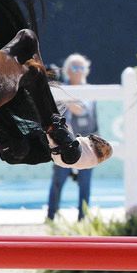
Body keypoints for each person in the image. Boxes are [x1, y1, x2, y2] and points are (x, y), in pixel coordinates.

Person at [46, 53, 98, 221]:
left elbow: (83, 110)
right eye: (74, 67)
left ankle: (83, 218)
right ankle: (51, 216)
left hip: (86, 145)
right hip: (63, 143)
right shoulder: (60, 88)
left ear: (86, 70)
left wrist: (65, 99)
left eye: (81, 67)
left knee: (85, 183)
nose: (78, 71)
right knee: (57, 181)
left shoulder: (88, 91)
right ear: (67, 70)